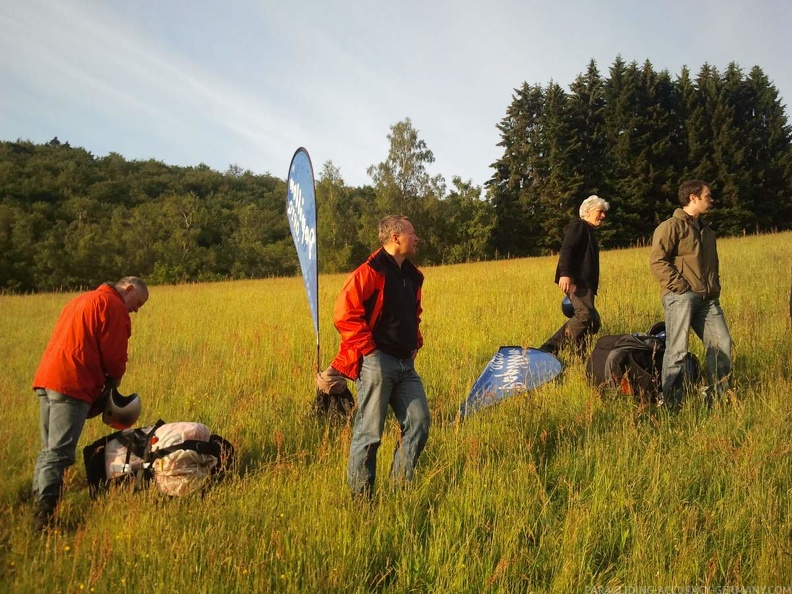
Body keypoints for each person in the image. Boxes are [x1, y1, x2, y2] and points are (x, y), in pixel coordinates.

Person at [316, 215, 430, 498]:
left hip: (406, 364)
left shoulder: (411, 276)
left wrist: (415, 342)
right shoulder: (369, 272)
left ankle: (400, 489)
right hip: (377, 362)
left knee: (419, 422)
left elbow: (412, 314)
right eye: (412, 233)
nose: (417, 238)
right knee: (370, 433)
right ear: (395, 238)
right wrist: (369, 350)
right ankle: (361, 500)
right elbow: (345, 314)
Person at [31, 276, 148, 529]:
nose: (136, 309)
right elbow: (115, 355)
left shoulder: (80, 300)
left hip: (46, 379)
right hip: (72, 383)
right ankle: (44, 517)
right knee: (60, 452)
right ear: (127, 288)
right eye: (138, 302)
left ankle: (38, 498)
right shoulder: (113, 306)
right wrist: (114, 382)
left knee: (48, 449)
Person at [649, 180, 732, 406]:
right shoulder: (670, 226)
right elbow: (657, 261)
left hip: (708, 300)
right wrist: (681, 287)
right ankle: (671, 403)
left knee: (722, 344)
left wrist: (714, 288)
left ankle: (716, 399)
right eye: (708, 196)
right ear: (693, 197)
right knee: (677, 351)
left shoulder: (708, 231)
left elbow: (713, 264)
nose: (712, 200)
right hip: (681, 297)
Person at [540, 195, 610, 356]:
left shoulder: (588, 230)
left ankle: (580, 355)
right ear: (587, 211)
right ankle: (549, 348)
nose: (603, 216)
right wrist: (565, 274)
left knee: (593, 321)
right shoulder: (579, 226)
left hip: (585, 284)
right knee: (585, 316)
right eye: (600, 211)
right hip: (577, 281)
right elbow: (567, 249)